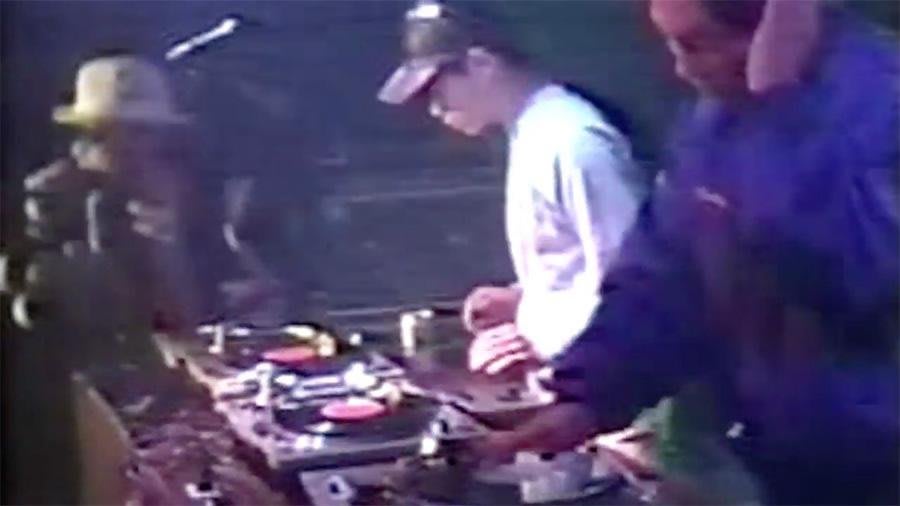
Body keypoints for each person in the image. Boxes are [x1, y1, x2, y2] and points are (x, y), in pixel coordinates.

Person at [480, 1, 899, 503]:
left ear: (774, 24)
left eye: (696, 45)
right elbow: (667, 276)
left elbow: (848, 278)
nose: (681, 68)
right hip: (790, 463)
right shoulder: (718, 125)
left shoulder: (882, 112)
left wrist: (784, 115)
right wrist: (588, 395)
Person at [378, 0, 647, 374]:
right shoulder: (533, 133)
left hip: (598, 380)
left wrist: (545, 340)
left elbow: (634, 287)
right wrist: (524, 300)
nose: (434, 109)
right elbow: (574, 267)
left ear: (481, 64)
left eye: (436, 89)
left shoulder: (573, 142)